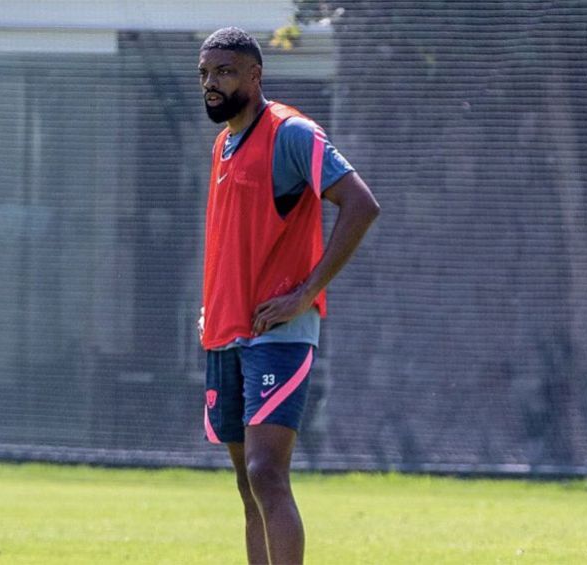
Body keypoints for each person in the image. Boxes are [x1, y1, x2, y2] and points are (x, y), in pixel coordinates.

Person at [197, 27, 380, 564]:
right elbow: (237, 238)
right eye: (205, 73)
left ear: (255, 76)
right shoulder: (223, 142)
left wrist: (306, 294)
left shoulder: (291, 133)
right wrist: (211, 302)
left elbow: (361, 205)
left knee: (265, 472)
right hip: (225, 331)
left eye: (225, 71)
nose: (211, 83)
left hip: (278, 334)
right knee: (247, 485)